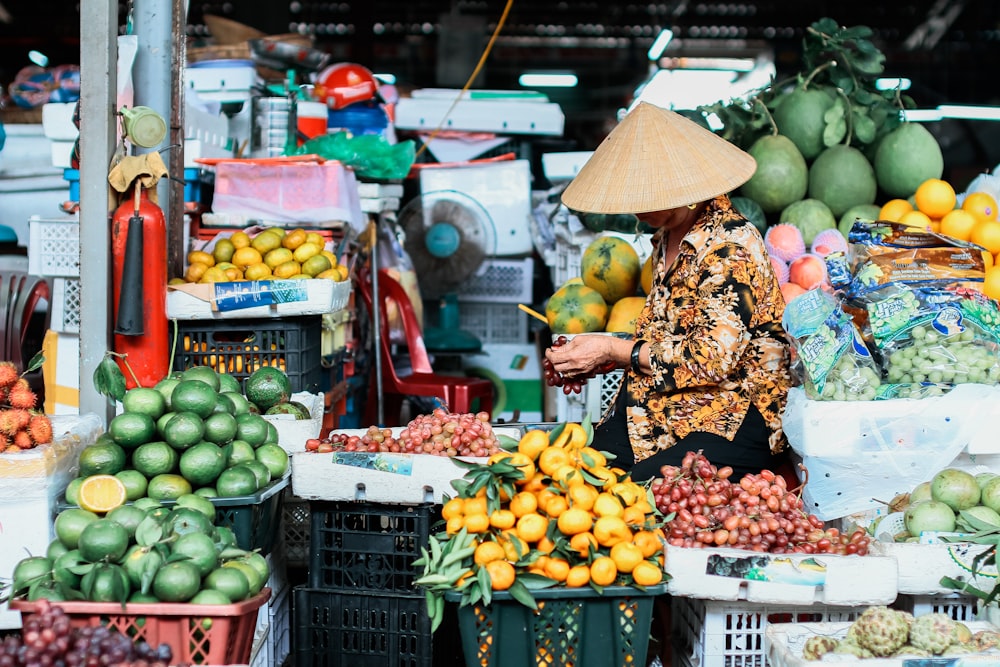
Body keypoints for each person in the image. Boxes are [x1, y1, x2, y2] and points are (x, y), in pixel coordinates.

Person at [546, 102, 793, 482]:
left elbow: (710, 359)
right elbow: (671, 333)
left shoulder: (731, 247)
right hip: (664, 403)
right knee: (571, 477)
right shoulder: (666, 237)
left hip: (733, 411)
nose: (637, 210)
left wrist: (614, 349)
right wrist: (599, 354)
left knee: (633, 496)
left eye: (648, 198)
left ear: (687, 191)